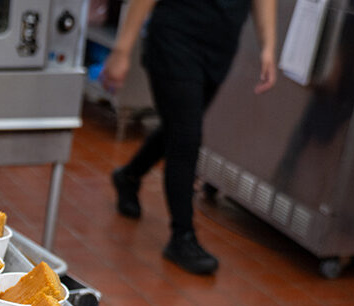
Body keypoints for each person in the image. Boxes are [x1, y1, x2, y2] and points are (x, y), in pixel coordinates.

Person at [102, 0, 276, 275]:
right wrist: (122, 50)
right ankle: (182, 237)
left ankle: (129, 176)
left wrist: (268, 46)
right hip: (175, 37)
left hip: (220, 47)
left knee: (179, 128)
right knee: (186, 136)